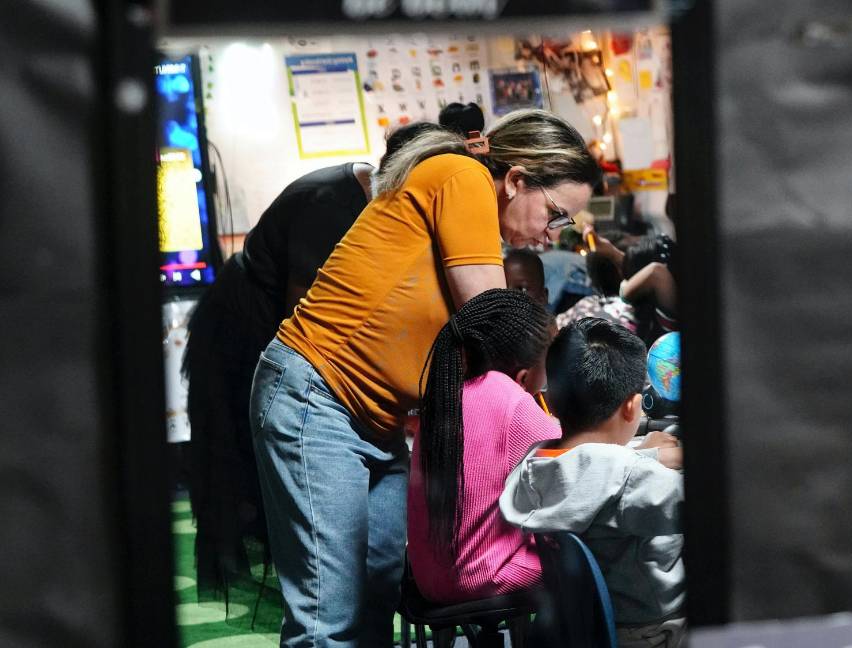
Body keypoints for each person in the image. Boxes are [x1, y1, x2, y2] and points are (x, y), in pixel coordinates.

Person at [249, 109, 600, 646]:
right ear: (518, 179)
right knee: (329, 617)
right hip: (315, 397)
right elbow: (495, 323)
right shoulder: (461, 178)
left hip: (380, 421)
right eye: (555, 215)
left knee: (378, 593)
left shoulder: (473, 207)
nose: (551, 236)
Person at [181, 120, 438, 596]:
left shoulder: (382, 204)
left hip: (283, 333)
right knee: (242, 454)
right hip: (247, 330)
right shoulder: (331, 202)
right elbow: (307, 318)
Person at [500, 318, 686, 647]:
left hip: (586, 627)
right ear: (632, 407)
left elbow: (592, 468)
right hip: (658, 632)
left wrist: (646, 457)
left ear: (552, 402)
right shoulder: (635, 480)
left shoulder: (536, 465)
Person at [406, 288, 557, 603]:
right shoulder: (511, 400)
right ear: (525, 376)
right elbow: (574, 456)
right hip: (482, 577)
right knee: (592, 555)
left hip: (425, 580)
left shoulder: (445, 397)